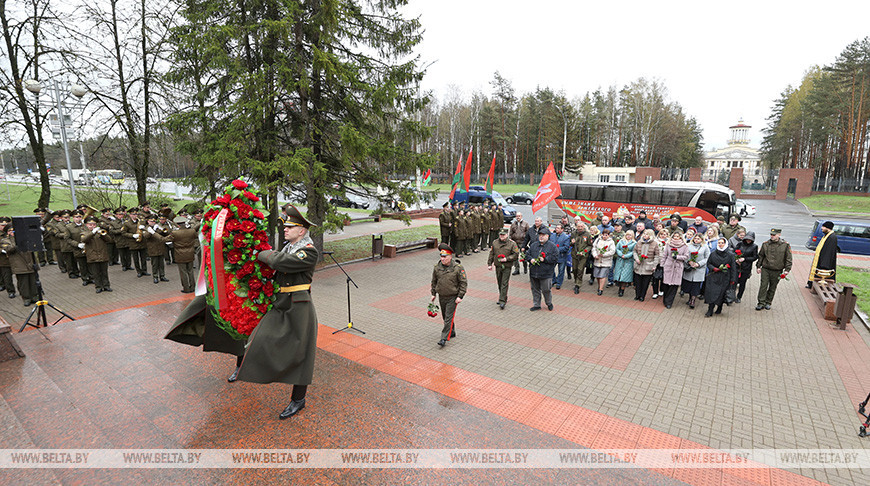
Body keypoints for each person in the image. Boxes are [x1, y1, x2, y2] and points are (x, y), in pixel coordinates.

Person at [235, 205, 320, 419]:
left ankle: (298, 399)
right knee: (263, 337)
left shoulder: (308, 250)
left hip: (299, 308)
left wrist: (260, 252)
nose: (286, 229)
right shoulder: (287, 247)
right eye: (286, 226)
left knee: (302, 355)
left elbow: (279, 262)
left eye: (291, 227)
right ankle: (245, 368)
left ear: (302, 231)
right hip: (281, 303)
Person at [431, 242, 467, 346]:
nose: (442, 259)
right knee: (445, 316)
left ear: (450, 257)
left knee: (448, 318)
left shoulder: (458, 268)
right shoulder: (437, 267)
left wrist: (460, 296)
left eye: (445, 257)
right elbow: (434, 281)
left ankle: (443, 338)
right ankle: (452, 332)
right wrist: (433, 293)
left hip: (452, 297)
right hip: (441, 296)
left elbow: (463, 283)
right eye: (441, 257)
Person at [755, 228, 792, 311]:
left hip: (777, 269)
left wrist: (787, 269)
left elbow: (788, 258)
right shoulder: (765, 244)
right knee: (763, 286)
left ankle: (768, 302)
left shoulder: (785, 245)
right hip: (766, 268)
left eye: (774, 235)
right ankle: (761, 302)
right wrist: (758, 266)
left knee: (773, 286)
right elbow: (761, 256)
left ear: (779, 235)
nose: (772, 236)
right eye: (771, 234)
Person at [0, 225, 37, 306]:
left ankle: (34, 296)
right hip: (18, 264)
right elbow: (9, 249)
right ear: (7, 232)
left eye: (14, 231)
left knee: (33, 281)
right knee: (23, 283)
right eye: (10, 231)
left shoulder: (25, 237)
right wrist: (16, 240)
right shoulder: (5, 240)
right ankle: (26, 298)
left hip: (29, 262)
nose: (13, 233)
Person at [704, 237, 738, 317]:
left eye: (722, 243)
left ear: (725, 244)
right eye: (719, 243)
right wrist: (714, 268)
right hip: (714, 276)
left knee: (721, 294)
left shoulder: (730, 255)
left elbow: (733, 268)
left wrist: (733, 279)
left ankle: (719, 307)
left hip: (725, 277)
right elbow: (709, 263)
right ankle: (710, 309)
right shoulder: (713, 253)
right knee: (712, 293)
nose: (720, 244)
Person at [488, 228, 519, 309]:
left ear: (507, 235)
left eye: (503, 235)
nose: (502, 236)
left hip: (507, 266)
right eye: (500, 235)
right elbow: (492, 253)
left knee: (504, 283)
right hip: (498, 265)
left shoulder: (512, 244)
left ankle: (502, 301)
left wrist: (507, 259)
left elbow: (515, 254)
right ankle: (503, 296)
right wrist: (489, 264)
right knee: (499, 282)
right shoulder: (495, 242)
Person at [81, 216, 113, 293]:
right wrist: (92, 233)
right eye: (90, 224)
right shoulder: (84, 232)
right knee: (96, 273)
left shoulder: (101, 232)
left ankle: (106, 286)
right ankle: (98, 286)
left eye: (94, 224)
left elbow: (109, 240)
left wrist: (103, 235)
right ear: (86, 225)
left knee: (104, 272)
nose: (92, 226)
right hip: (93, 256)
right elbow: (84, 239)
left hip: (103, 254)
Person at [528, 226, 557, 310]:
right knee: (535, 289)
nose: (541, 236)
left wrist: (545, 259)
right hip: (534, 272)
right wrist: (530, 259)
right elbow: (527, 255)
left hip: (546, 273)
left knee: (546, 289)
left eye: (543, 235)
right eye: (540, 235)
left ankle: (548, 303)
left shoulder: (552, 246)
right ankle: (537, 304)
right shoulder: (533, 245)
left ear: (547, 236)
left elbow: (555, 258)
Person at [170, 216, 198, 293]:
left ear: (178, 225)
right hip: (190, 252)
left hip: (180, 254)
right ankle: (193, 287)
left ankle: (186, 288)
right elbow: (196, 236)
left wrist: (154, 233)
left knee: (183, 272)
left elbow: (165, 240)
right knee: (190, 271)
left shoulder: (175, 233)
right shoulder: (191, 231)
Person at [661, 231, 689, 308]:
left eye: (677, 236)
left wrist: (678, 257)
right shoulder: (668, 244)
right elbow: (664, 255)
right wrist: (662, 264)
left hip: (678, 266)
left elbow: (686, 256)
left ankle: (669, 302)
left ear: (680, 237)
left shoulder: (684, 246)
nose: (675, 238)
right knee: (666, 284)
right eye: (674, 236)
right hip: (668, 265)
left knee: (674, 285)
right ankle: (665, 299)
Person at [682, 233, 709, 309]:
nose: (696, 240)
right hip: (690, 268)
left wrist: (698, 264)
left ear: (702, 240)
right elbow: (685, 255)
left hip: (699, 269)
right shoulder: (688, 246)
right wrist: (689, 261)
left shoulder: (705, 247)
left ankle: (693, 300)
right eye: (695, 238)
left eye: (698, 239)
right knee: (689, 285)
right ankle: (690, 298)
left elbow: (707, 258)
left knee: (696, 285)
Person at [807, 221, 838, 288]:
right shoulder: (827, 235)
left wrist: (824, 264)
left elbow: (829, 252)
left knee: (820, 274)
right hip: (821, 258)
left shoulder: (832, 237)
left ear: (828, 228)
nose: (822, 228)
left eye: (823, 227)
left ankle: (813, 285)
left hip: (824, 262)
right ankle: (810, 283)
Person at [66, 210, 93, 286]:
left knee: (90, 264)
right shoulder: (69, 227)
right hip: (78, 248)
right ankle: (85, 279)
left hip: (88, 247)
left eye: (80, 217)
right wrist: (77, 244)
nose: (78, 218)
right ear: (73, 218)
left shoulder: (85, 225)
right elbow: (67, 239)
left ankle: (92, 277)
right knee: (82, 265)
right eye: (76, 217)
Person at [633, 229, 659, 301]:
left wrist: (654, 265)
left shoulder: (654, 243)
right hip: (639, 265)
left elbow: (657, 255)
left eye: (647, 234)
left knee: (645, 283)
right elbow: (634, 251)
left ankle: (642, 296)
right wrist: (637, 258)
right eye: (644, 234)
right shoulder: (639, 242)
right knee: (637, 281)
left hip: (648, 265)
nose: (645, 235)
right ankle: (637, 295)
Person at [142, 215, 170, 284]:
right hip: (152, 248)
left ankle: (162, 276)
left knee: (161, 263)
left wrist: (162, 229)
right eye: (151, 221)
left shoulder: (157, 227)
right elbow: (146, 236)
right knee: (154, 264)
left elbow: (166, 233)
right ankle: (155, 277)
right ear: (148, 221)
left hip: (160, 247)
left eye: (154, 221)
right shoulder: (145, 228)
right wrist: (153, 231)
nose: (153, 222)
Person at [123, 209, 150, 277]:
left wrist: (144, 229)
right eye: (133, 214)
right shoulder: (127, 223)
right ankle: (138, 271)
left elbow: (147, 227)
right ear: (130, 215)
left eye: (136, 214)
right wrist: (132, 235)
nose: (135, 216)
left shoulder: (141, 221)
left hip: (142, 242)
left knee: (143, 258)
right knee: (136, 258)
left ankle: (144, 270)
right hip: (133, 243)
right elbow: (123, 233)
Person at [733, 231, 758, 303]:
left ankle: (739, 297)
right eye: (747, 239)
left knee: (742, 283)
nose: (748, 241)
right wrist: (736, 258)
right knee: (734, 281)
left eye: (750, 240)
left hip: (746, 267)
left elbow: (755, 257)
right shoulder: (740, 244)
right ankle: (732, 295)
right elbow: (734, 252)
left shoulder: (754, 246)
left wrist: (745, 259)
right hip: (737, 265)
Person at [591, 228, 616, 296]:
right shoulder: (598, 240)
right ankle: (599, 286)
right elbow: (594, 248)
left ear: (608, 235)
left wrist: (604, 255)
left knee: (602, 275)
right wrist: (595, 255)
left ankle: (601, 289)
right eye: (603, 235)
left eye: (606, 235)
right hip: (597, 260)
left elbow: (612, 251)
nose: (604, 236)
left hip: (606, 261)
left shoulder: (611, 242)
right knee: (597, 275)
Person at [571, 220, 593, 294]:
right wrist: (572, 242)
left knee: (580, 269)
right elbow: (570, 243)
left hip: (583, 255)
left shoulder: (587, 234)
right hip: (574, 254)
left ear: (584, 227)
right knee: (574, 269)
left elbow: (590, 245)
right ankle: (576, 280)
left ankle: (578, 284)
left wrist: (584, 251)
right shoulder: (573, 233)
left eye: (581, 226)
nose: (580, 228)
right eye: (578, 226)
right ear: (576, 227)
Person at [613, 230, 636, 297]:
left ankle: (622, 290)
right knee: (619, 275)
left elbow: (633, 251)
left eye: (630, 235)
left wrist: (626, 256)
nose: (628, 236)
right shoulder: (621, 241)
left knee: (625, 276)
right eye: (627, 235)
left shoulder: (634, 243)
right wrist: (621, 254)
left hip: (628, 261)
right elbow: (617, 249)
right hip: (620, 260)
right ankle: (619, 287)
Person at [0, 217, 17, 298]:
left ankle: (23, 291)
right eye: (2, 225)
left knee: (20, 276)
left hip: (16, 258)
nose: (4, 226)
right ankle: (10, 291)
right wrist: (2, 250)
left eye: (5, 225)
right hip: (4, 259)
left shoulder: (13, 234)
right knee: (7, 277)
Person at [650, 230, 669, 299]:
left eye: (665, 234)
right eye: (661, 234)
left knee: (663, 277)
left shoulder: (669, 242)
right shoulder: (655, 241)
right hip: (657, 261)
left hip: (666, 262)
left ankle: (661, 290)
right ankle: (655, 292)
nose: (663, 235)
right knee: (655, 278)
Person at [551, 224, 571, 289]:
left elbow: (566, 247)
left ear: (562, 230)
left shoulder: (566, 237)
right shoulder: (552, 235)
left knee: (561, 271)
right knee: (551, 269)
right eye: (556, 228)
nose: (556, 229)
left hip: (561, 256)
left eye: (558, 228)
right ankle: (553, 280)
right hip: (553, 256)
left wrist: (556, 249)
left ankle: (559, 283)